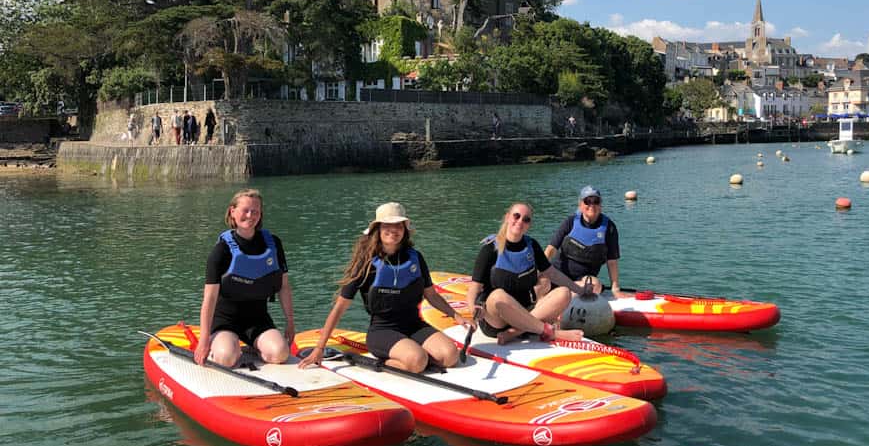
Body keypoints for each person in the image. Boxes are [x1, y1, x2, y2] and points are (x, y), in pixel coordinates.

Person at [299, 203, 470, 373]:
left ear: (405, 230)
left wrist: (457, 316)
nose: (393, 230)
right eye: (387, 225)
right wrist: (319, 348)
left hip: (414, 325)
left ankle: (414, 355)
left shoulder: (415, 257)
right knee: (417, 361)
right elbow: (340, 308)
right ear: (377, 229)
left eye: (398, 225)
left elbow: (431, 295)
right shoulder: (365, 263)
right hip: (382, 331)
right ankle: (389, 362)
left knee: (450, 356)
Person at [195, 189, 295, 367]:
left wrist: (290, 323)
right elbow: (209, 299)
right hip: (225, 320)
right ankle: (220, 347)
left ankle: (254, 346)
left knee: (280, 353)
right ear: (232, 211)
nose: (250, 215)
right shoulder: (221, 251)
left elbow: (284, 287)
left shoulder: (273, 244)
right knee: (227, 358)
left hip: (258, 319)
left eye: (255, 211)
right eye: (245, 210)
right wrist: (203, 340)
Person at [466, 202, 585, 345]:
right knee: (498, 296)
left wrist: (580, 290)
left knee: (564, 293)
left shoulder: (532, 245)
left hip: (525, 311)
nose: (520, 221)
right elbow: (474, 287)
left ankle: (515, 332)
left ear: (529, 224)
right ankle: (551, 332)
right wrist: (472, 308)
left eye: (526, 219)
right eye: (516, 216)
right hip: (497, 319)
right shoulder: (490, 249)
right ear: (507, 217)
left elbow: (553, 273)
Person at [542, 186, 624, 297]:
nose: (592, 205)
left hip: (582, 280)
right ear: (580, 205)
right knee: (542, 283)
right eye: (587, 201)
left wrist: (615, 289)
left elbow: (612, 261)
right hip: (558, 273)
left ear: (600, 205)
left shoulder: (609, 228)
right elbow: (551, 249)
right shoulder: (570, 222)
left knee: (595, 286)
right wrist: (538, 272)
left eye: (596, 201)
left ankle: (561, 295)